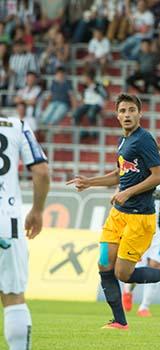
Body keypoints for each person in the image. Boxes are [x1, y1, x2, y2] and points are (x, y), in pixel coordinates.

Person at [67, 93, 160, 330]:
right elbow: (118, 175)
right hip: (118, 214)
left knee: (123, 274)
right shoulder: (123, 141)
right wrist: (89, 182)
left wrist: (128, 192)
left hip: (140, 218)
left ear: (139, 113)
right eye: (122, 111)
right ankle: (119, 321)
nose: (127, 115)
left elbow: (158, 176)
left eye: (131, 110)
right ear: (117, 115)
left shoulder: (144, 140)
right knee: (104, 264)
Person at [0, 116, 50, 349]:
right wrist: (37, 211)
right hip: (6, 221)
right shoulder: (16, 126)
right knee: (13, 298)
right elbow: (41, 172)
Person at [122, 169, 160, 317]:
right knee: (134, 267)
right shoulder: (136, 173)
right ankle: (127, 291)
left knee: (156, 266)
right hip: (139, 230)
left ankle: (144, 307)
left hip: (159, 231)